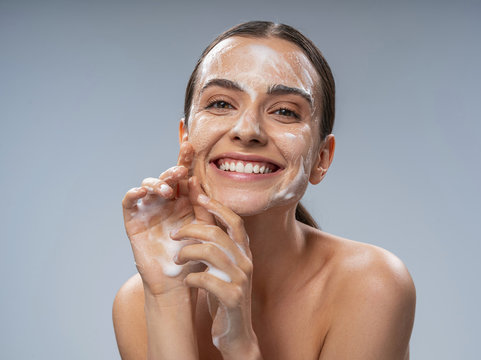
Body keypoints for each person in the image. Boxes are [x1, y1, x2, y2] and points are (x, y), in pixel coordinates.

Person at [113, 21, 416, 360]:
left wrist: (240, 347)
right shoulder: (138, 301)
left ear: (321, 158)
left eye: (285, 111)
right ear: (186, 137)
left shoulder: (370, 286)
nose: (248, 130)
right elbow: (161, 295)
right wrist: (166, 296)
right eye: (221, 104)